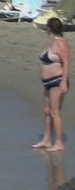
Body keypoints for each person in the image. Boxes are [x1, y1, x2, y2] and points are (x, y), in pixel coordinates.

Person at [36, 18, 71, 152]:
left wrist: (64, 81)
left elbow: (66, 62)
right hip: (47, 83)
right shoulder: (52, 41)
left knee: (55, 112)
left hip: (57, 80)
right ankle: (46, 139)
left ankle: (59, 142)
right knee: (47, 111)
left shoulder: (61, 43)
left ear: (49, 28)